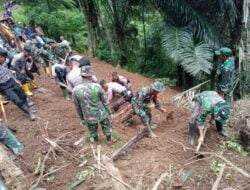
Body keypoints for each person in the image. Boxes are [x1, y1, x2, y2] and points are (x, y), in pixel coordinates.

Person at [73, 66, 112, 143]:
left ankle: (96, 142)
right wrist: (109, 112)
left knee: (92, 131)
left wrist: (82, 119)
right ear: (91, 76)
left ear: (81, 76)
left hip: (88, 115)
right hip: (101, 113)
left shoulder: (76, 90)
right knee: (106, 127)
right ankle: (109, 140)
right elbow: (105, 102)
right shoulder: (97, 87)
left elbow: (78, 107)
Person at [0, 49, 35, 121]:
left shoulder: (4, 63)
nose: (5, 59)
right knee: (17, 100)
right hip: (4, 87)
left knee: (23, 96)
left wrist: (16, 81)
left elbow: (7, 72)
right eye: (3, 57)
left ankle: (28, 109)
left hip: (11, 81)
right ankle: (29, 113)